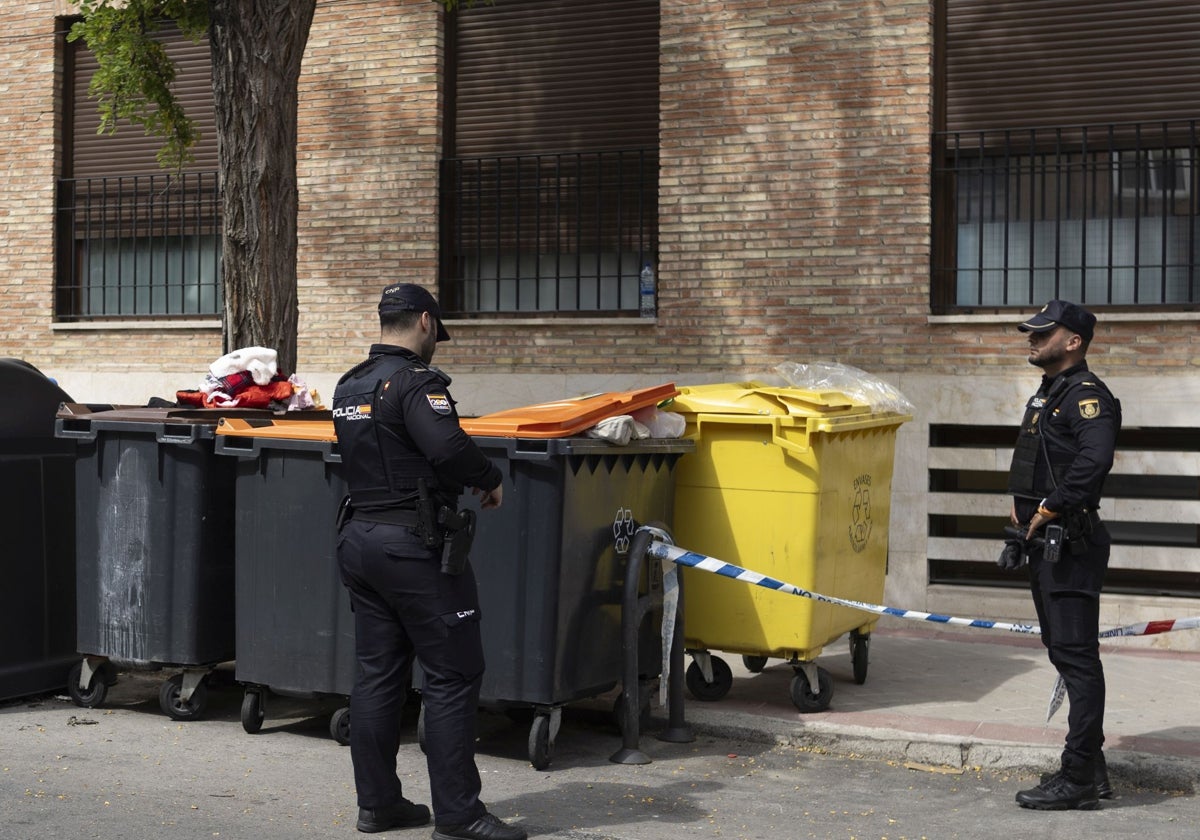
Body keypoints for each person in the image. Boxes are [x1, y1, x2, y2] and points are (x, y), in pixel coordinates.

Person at [332, 283, 527, 840]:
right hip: (413, 547)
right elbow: (445, 447)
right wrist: (488, 479)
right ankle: (460, 817)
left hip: (359, 538)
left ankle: (380, 806)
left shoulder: (351, 383)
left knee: (377, 674)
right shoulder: (415, 382)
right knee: (452, 674)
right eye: (435, 331)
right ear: (424, 321)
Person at [999, 299, 1121, 811]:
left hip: (1071, 545)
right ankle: (1091, 770)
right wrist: (1017, 529)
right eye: (1031, 332)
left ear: (1073, 342)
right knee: (1065, 655)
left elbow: (1095, 460)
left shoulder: (1088, 396)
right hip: (1044, 546)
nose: (1032, 338)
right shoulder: (1047, 395)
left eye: (1043, 333)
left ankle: (1078, 782)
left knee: (1077, 662)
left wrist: (1050, 508)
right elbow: (1030, 466)